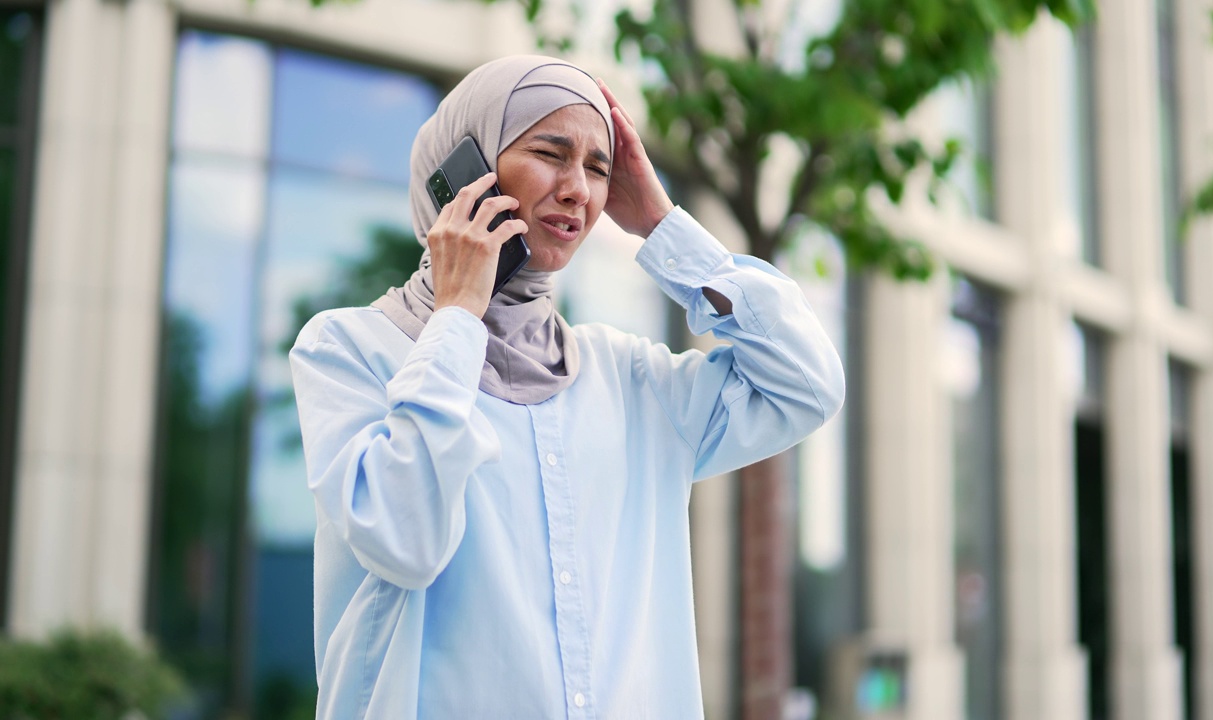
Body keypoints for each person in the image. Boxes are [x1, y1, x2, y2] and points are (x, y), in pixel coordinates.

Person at [289, 54, 844, 719]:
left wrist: (662, 225)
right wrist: (458, 315)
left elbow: (807, 383)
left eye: (599, 169)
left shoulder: (632, 383)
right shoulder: (349, 349)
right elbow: (405, 543)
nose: (579, 189)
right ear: (466, 171)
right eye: (551, 154)